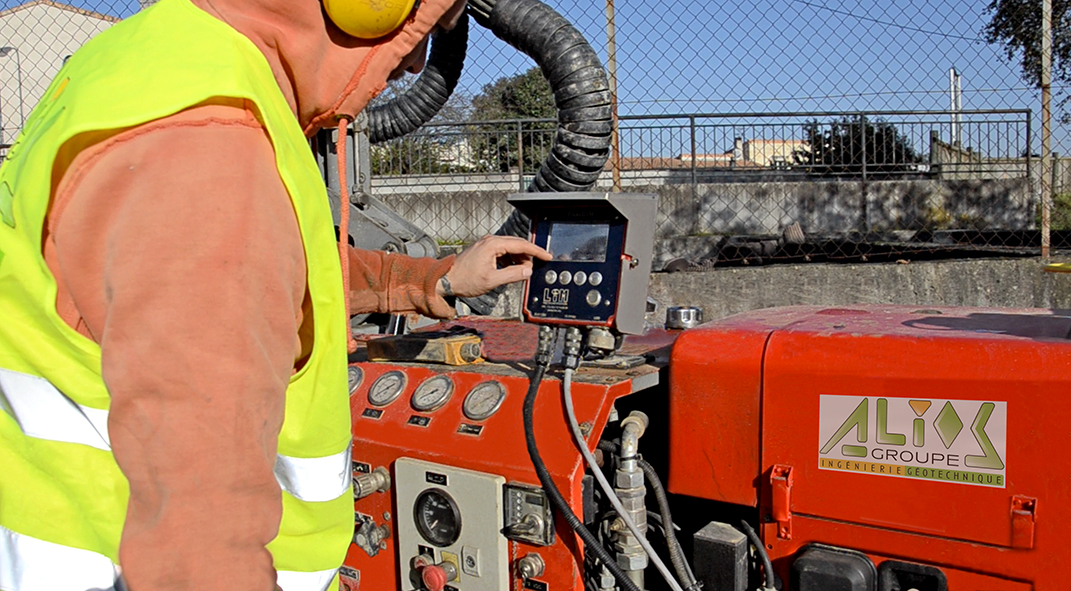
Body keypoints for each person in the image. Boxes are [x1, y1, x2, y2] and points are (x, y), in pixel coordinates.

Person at [0, 0, 549, 590]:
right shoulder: (212, 140)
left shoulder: (152, 64)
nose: (416, 61)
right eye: (423, 27)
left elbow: (259, 270)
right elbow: (200, 537)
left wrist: (430, 282)